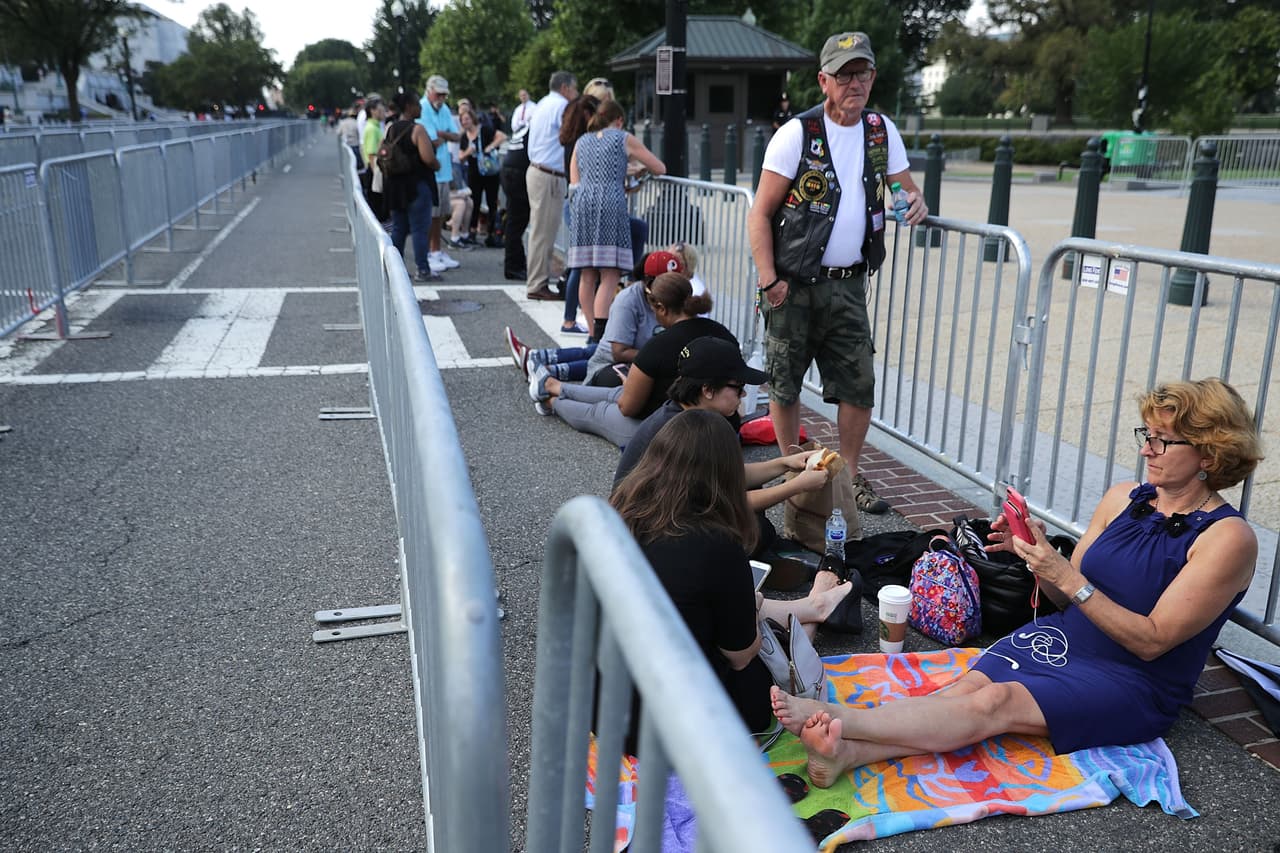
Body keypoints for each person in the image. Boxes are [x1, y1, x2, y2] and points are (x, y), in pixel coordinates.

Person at [772, 377, 1264, 787]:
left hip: (1134, 678)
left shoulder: (1228, 538)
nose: (1145, 449)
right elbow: (1062, 596)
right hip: (1068, 638)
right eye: (1147, 433)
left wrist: (1064, 574)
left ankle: (835, 718)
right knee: (957, 697)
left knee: (993, 703)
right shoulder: (1123, 498)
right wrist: (1036, 558)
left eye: (1161, 439)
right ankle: (848, 754)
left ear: (1208, 453)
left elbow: (1152, 641)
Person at [747, 31, 928, 516]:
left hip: (849, 283)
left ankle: (843, 476)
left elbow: (905, 188)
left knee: (857, 384)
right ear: (823, 80)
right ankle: (793, 471)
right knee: (784, 381)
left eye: (863, 72)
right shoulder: (796, 134)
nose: (855, 82)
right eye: (845, 74)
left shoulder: (880, 130)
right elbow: (759, 212)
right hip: (793, 281)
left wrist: (915, 201)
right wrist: (770, 280)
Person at [611, 408, 860, 733]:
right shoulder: (715, 543)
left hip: (609, 704)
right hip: (673, 725)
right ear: (727, 475)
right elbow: (741, 656)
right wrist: (750, 607)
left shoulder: (622, 512)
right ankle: (807, 628)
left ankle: (814, 608)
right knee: (757, 658)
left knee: (726, 607)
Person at [528, 271, 730, 447]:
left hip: (663, 431)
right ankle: (553, 385)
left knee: (600, 411)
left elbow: (628, 407)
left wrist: (630, 383)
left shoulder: (657, 346)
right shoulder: (722, 333)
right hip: (719, 425)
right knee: (616, 393)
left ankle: (550, 399)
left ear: (661, 307)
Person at [504, 250, 683, 386]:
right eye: (668, 284)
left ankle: (536, 358)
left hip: (627, 354)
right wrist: (663, 357)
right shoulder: (628, 300)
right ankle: (545, 374)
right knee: (599, 357)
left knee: (592, 350)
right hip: (615, 361)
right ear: (649, 281)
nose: (673, 289)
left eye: (677, 284)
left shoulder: (679, 298)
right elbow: (618, 353)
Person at [569, 99, 666, 341]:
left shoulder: (581, 142)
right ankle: (601, 335)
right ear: (619, 120)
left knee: (587, 274)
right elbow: (659, 167)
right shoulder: (623, 138)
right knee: (610, 273)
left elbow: (574, 181)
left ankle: (591, 330)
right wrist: (637, 170)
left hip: (582, 202)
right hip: (610, 203)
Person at [525, 71, 579, 301]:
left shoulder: (543, 104)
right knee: (543, 232)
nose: (576, 94)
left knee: (541, 231)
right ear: (565, 88)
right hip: (548, 173)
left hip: (539, 170)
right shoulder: (560, 107)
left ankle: (538, 280)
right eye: (575, 89)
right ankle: (537, 283)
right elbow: (568, 135)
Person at [384, 91, 441, 282]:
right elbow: (428, 158)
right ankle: (423, 269)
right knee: (419, 229)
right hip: (417, 186)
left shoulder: (390, 128)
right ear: (409, 107)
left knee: (399, 228)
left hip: (396, 187)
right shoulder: (417, 130)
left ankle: (394, 270)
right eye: (418, 104)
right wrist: (437, 163)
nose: (421, 107)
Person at [418, 75, 463, 275]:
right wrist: (443, 135)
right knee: (430, 214)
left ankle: (436, 250)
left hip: (443, 171)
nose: (442, 98)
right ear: (430, 91)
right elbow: (429, 139)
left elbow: (454, 135)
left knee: (440, 214)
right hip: (431, 171)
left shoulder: (442, 108)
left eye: (444, 94)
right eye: (439, 93)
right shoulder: (422, 107)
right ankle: (430, 252)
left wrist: (440, 134)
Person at [500, 121, 531, 280]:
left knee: (514, 221)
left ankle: (515, 264)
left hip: (509, 170)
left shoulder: (525, 127)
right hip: (519, 172)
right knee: (517, 222)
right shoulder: (538, 127)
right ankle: (513, 266)